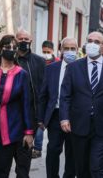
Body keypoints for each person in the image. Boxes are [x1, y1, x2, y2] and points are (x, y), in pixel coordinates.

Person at [59, 31, 103, 178]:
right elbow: (65, 95)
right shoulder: (73, 67)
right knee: (82, 168)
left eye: (97, 42)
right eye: (89, 41)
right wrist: (64, 117)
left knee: (96, 166)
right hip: (79, 125)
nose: (92, 44)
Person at [0, 35, 34, 178]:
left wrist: (29, 132)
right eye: (7, 47)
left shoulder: (21, 74)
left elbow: (26, 103)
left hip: (10, 130)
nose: (11, 50)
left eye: (14, 48)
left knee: (2, 169)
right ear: (0, 49)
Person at [37, 37, 78, 178]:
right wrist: (41, 118)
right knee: (53, 149)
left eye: (73, 49)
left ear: (77, 51)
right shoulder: (51, 69)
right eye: (66, 48)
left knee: (72, 152)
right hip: (55, 114)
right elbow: (43, 95)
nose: (70, 51)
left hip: (75, 116)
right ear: (61, 50)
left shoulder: (82, 69)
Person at [15, 29, 46, 177]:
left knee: (24, 160)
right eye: (20, 38)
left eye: (26, 39)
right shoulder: (10, 59)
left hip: (30, 118)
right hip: (10, 117)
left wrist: (41, 117)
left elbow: (44, 90)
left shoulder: (39, 61)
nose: (23, 41)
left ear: (31, 41)